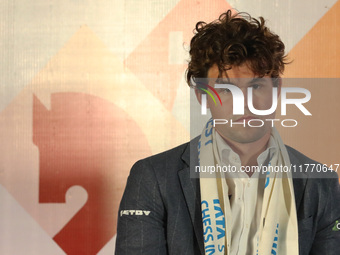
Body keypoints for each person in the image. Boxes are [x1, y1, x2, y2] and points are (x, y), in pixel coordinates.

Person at [115, 10, 340, 255]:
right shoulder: (152, 178)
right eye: (226, 91)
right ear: (203, 96)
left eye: (255, 86)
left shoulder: (320, 182)